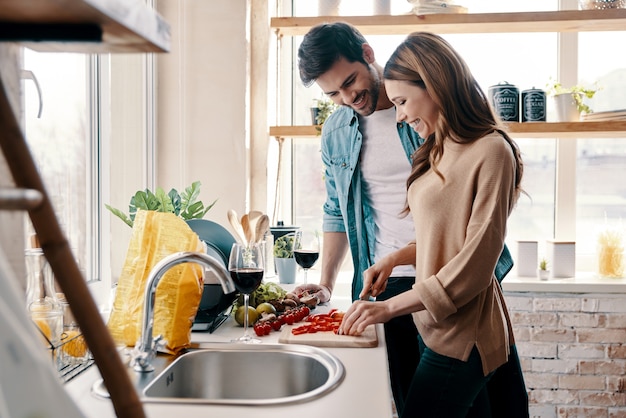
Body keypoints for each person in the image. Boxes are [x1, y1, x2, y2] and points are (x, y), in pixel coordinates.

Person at [294, 22, 516, 416]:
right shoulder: (338, 132)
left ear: (367, 54)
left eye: (349, 82)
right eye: (333, 94)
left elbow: (469, 247)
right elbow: (336, 208)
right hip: (389, 285)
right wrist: (334, 281)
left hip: (454, 294)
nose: (347, 98)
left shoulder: (451, 133)